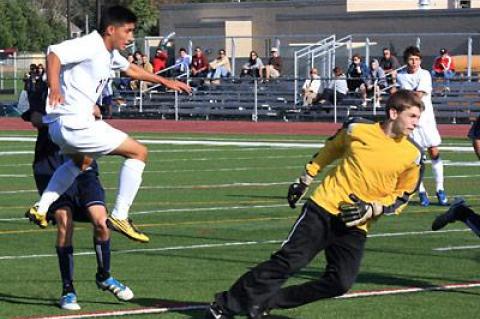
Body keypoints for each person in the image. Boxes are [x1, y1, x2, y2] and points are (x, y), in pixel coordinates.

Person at [205, 90, 424, 319]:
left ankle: (267, 302)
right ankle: (223, 306)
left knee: (340, 283)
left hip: (357, 224)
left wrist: (373, 208)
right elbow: (330, 150)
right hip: (323, 208)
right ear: (393, 113)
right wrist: (306, 178)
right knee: (289, 261)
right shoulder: (357, 129)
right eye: (412, 117)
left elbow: (403, 195)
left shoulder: (413, 155)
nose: (416, 124)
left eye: (417, 118)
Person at [25, 6, 191, 244]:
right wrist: (55, 86)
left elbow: (130, 69)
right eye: (128, 31)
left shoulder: (109, 53)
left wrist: (164, 80)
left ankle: (41, 207)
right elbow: (54, 53)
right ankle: (121, 215)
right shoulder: (90, 44)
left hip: (60, 127)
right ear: (111, 30)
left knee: (82, 162)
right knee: (139, 152)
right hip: (75, 123)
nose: (131, 37)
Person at [22, 75, 132, 311]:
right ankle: (68, 289)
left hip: (84, 165)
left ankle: (104, 276)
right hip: (51, 166)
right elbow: (34, 117)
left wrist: (93, 112)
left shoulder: (85, 85)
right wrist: (59, 119)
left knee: (102, 222)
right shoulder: (43, 88)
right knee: (64, 222)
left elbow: (98, 111)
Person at [395, 46, 447, 207]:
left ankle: (440, 189)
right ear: (406, 61)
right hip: (410, 123)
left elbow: (418, 95)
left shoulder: (424, 74)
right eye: (411, 59)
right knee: (416, 158)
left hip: (426, 121)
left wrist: (403, 94)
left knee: (434, 151)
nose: (414, 62)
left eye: (417, 59)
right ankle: (422, 191)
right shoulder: (401, 76)